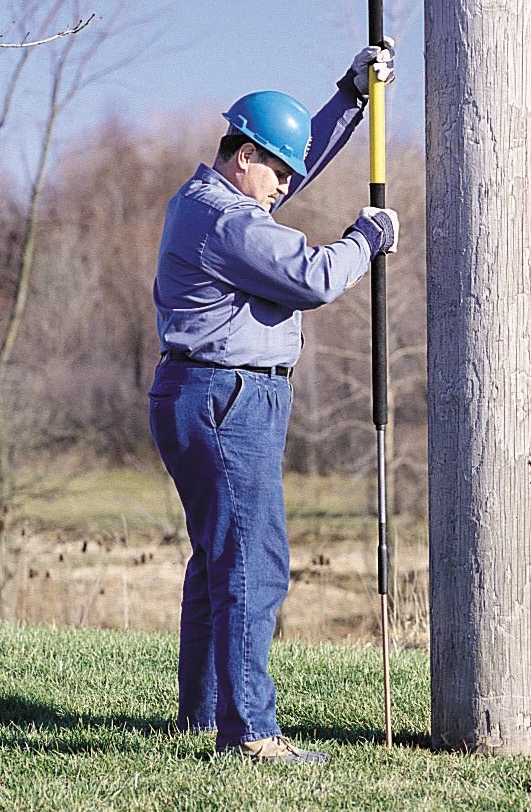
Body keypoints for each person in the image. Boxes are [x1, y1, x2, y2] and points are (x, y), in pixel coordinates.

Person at [149, 42, 398, 765]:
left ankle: (203, 719)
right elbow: (313, 278)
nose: (285, 185)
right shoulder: (227, 222)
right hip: (226, 400)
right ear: (244, 156)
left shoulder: (211, 201)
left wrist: (351, 96)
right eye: (278, 172)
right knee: (253, 566)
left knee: (219, 560)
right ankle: (251, 734)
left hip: (202, 393)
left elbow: (302, 156)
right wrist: (366, 238)